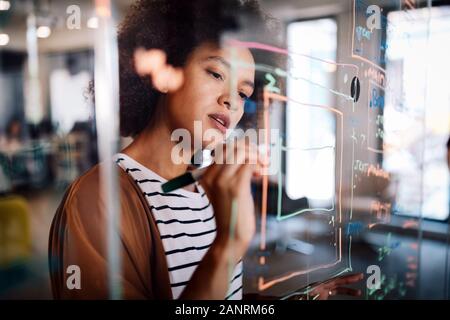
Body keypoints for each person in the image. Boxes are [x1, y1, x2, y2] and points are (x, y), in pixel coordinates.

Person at [49, 0, 361, 300]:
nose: (232, 101)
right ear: (164, 71)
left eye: (243, 92)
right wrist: (227, 247)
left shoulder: (209, 189)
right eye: (215, 73)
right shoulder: (97, 198)